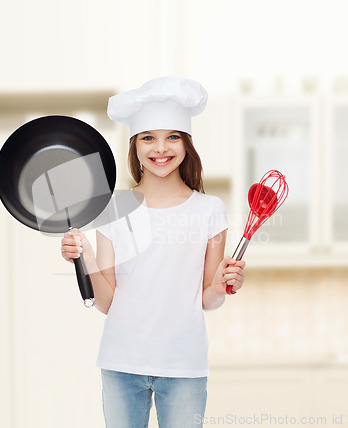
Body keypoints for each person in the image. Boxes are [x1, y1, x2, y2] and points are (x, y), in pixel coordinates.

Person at [61, 76, 245, 428]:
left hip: (184, 365)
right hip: (121, 362)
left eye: (172, 136)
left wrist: (223, 284)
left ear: (186, 143)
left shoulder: (210, 211)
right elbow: (107, 302)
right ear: (135, 145)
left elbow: (208, 298)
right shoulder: (112, 209)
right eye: (148, 137)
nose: (161, 148)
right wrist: (83, 255)